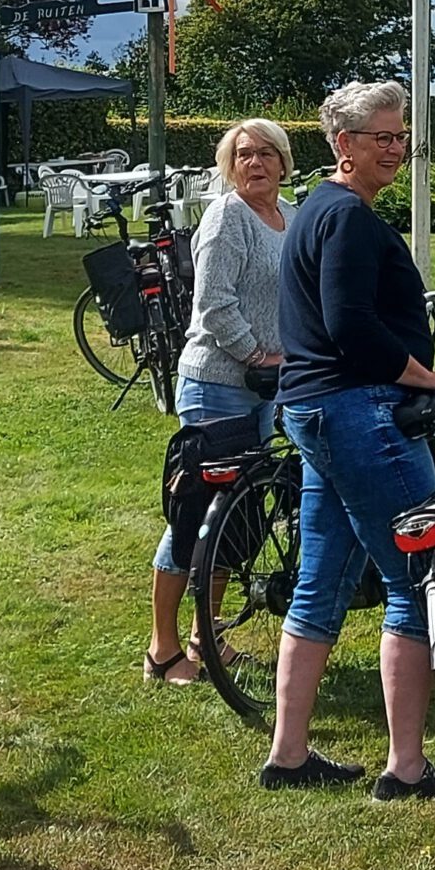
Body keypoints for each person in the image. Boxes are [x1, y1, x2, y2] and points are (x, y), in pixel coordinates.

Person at [264, 81, 435, 800]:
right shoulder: (346, 217)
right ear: (342, 144)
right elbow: (350, 326)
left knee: (320, 583)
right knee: (418, 577)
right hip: (357, 413)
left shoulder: (318, 210)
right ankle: (406, 767)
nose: (396, 148)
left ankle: (289, 754)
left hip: (317, 412)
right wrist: (428, 377)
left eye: (401, 136)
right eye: (382, 137)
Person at [146, 119, 296, 685]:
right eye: (243, 154)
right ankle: (162, 650)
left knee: (237, 518)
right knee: (194, 516)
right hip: (217, 384)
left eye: (265, 153)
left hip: (268, 389)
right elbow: (212, 303)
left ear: (284, 162)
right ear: (229, 166)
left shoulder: (291, 218)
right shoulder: (226, 217)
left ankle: (204, 637)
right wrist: (257, 354)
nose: (254, 163)